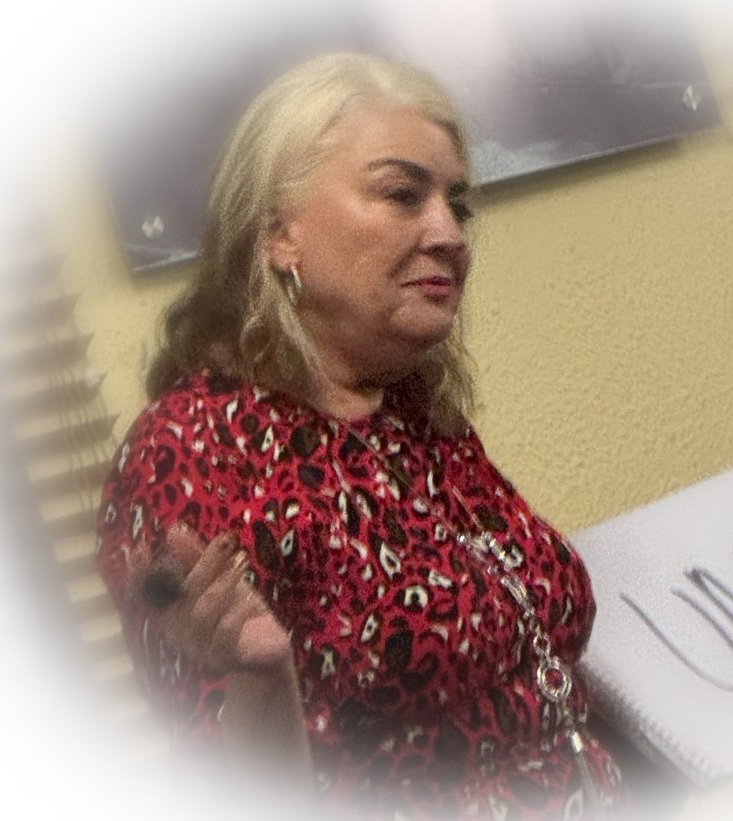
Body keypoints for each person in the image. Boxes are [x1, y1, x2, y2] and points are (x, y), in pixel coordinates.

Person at [95, 52, 626, 819]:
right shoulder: (194, 449)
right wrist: (263, 677)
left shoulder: (411, 412)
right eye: (402, 194)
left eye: (457, 205)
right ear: (280, 233)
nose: (450, 234)